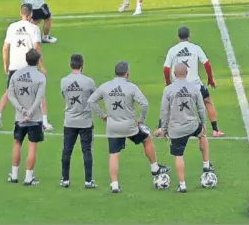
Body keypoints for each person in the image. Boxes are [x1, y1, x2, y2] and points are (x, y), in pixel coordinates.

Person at [87, 61, 170, 194]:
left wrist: (102, 115)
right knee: (147, 139)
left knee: (114, 154)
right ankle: (154, 167)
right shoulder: (131, 87)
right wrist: (141, 120)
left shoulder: (105, 86)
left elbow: (91, 101)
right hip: (130, 126)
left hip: (112, 126)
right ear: (127, 74)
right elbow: (144, 104)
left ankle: (114, 185)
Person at [0, 4, 54, 131]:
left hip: (15, 65)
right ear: (31, 14)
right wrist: (42, 66)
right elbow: (37, 47)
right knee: (39, 93)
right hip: (29, 65)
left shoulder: (12, 27)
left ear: (20, 13)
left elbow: (5, 47)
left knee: (9, 92)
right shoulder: (34, 28)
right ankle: (44, 122)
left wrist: (6, 65)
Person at [155, 63, 215, 194]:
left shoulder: (168, 90)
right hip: (192, 125)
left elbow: (164, 111)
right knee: (202, 135)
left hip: (176, 130)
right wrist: (203, 123)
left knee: (179, 155)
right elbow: (200, 107)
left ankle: (182, 185)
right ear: (187, 73)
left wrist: (163, 129)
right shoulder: (194, 88)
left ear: (174, 74)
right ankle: (206, 164)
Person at [163, 26, 224, 137]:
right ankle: (215, 130)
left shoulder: (173, 50)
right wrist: (210, 79)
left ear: (178, 37)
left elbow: (166, 68)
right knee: (207, 102)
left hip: (178, 85)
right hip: (195, 85)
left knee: (171, 105)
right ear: (189, 36)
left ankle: (165, 130)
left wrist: (168, 83)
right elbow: (207, 64)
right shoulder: (196, 48)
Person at [7, 49, 47, 186]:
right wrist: (29, 113)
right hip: (34, 118)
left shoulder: (16, 75)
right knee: (32, 146)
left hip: (19, 117)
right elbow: (39, 98)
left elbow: (10, 95)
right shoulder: (40, 77)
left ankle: (14, 175)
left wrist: (21, 110)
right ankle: (28, 178)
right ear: (38, 60)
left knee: (17, 143)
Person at [59, 54, 98, 189]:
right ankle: (88, 181)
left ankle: (65, 179)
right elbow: (95, 97)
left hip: (69, 121)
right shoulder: (89, 82)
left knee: (67, 151)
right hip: (85, 122)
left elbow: (64, 96)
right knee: (86, 150)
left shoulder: (64, 81)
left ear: (71, 65)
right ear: (82, 65)